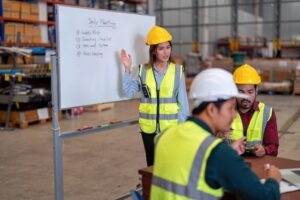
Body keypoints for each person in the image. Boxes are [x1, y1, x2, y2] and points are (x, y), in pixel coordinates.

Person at [150, 68, 281, 200]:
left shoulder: (164, 136)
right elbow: (265, 197)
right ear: (212, 109)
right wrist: (273, 180)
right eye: (230, 108)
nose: (234, 114)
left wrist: (228, 151)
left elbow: (188, 167)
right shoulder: (217, 152)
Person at [120, 25, 189, 166]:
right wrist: (127, 69)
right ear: (154, 51)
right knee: (151, 167)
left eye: (168, 47)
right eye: (161, 48)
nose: (166, 52)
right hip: (148, 129)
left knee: (169, 166)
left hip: (170, 129)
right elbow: (128, 92)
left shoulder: (177, 71)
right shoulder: (144, 71)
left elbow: (183, 104)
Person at [230, 64, 279, 157]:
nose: (246, 97)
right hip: (230, 162)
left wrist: (264, 150)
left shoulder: (267, 113)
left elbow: (273, 147)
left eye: (250, 92)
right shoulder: (224, 111)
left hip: (257, 164)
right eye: (241, 92)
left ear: (256, 90)